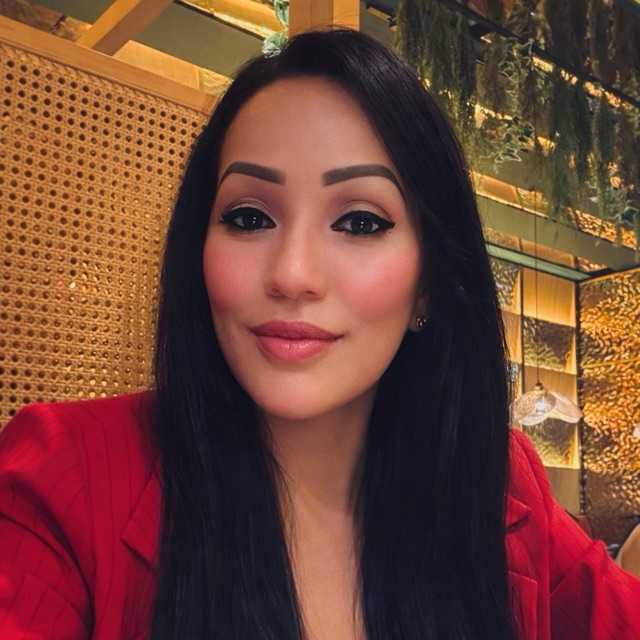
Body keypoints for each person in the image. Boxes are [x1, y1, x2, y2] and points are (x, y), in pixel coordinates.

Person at [0, 27, 639, 640]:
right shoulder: (64, 476)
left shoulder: (495, 483)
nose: (292, 274)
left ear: (427, 284)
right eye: (249, 217)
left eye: (360, 222)